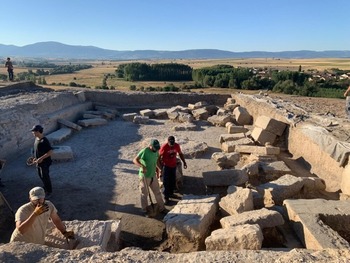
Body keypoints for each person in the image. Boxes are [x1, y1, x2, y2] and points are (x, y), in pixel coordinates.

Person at [10, 186, 74, 244]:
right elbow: (21, 230)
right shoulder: (23, 210)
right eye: (35, 200)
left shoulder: (49, 205)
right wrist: (35, 214)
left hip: (38, 242)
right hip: (21, 243)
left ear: (44, 197)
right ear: (30, 199)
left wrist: (64, 232)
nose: (38, 202)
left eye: (40, 198)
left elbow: (56, 220)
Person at [133, 139, 165, 216]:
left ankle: (162, 208)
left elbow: (157, 160)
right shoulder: (144, 151)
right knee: (144, 194)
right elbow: (135, 160)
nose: (156, 150)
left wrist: (160, 169)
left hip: (152, 175)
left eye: (157, 148)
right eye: (155, 148)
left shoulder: (156, 151)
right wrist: (142, 166)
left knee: (157, 192)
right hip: (144, 176)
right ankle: (144, 210)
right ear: (150, 146)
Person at [159, 136, 187, 205]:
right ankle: (166, 197)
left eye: (173, 144)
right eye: (170, 144)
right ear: (168, 142)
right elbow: (159, 157)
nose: (172, 145)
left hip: (173, 165)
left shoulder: (176, 145)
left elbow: (180, 153)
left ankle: (171, 193)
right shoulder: (164, 146)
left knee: (172, 180)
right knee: (166, 182)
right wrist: (159, 168)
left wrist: (184, 162)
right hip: (166, 166)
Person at [31, 125, 53, 197]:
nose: (32, 133)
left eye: (33, 132)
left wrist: (41, 158)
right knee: (41, 176)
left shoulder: (44, 141)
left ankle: (49, 191)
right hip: (39, 162)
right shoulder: (36, 139)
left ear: (37, 132)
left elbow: (50, 152)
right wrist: (35, 158)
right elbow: (36, 151)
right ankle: (45, 187)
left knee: (45, 176)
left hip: (45, 163)